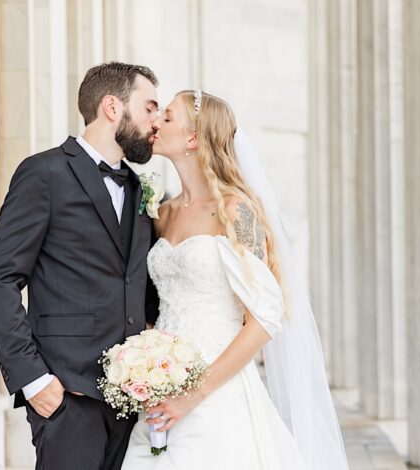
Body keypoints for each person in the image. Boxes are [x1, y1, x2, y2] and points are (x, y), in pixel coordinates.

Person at [121, 90, 349, 469]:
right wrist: (144, 365)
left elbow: (263, 319)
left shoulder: (234, 211)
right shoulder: (162, 213)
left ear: (193, 138)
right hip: (162, 385)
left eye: (169, 116)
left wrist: (193, 394)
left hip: (217, 391)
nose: (156, 121)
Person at [0, 61, 161, 470]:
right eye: (149, 107)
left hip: (131, 397)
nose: (156, 120)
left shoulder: (138, 187)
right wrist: (34, 380)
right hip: (67, 397)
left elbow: (136, 282)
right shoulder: (43, 173)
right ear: (113, 107)